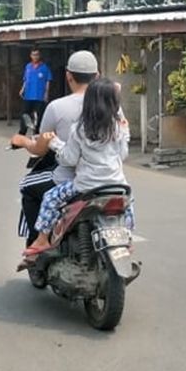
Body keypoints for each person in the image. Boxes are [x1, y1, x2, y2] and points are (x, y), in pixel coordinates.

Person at [24, 77, 133, 257]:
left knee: (50, 198)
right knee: (128, 204)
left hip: (85, 186)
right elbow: (123, 155)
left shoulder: (80, 129)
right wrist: (126, 132)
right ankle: (126, 238)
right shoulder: (117, 128)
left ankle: (42, 239)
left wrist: (55, 142)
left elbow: (69, 159)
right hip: (117, 185)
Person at [10, 50, 98, 246]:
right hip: (110, 178)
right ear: (97, 76)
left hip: (75, 177)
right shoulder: (110, 107)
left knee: (28, 185)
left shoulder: (58, 108)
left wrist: (23, 141)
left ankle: (38, 242)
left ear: (68, 75)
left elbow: (41, 150)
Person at [19, 48, 53, 131]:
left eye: (37, 55)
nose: (35, 57)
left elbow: (48, 81)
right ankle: (22, 131)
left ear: (39, 56)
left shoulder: (44, 67)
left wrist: (46, 93)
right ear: (30, 56)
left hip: (39, 95)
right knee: (25, 114)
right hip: (28, 95)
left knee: (38, 116)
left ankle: (36, 132)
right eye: (33, 55)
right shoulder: (28, 66)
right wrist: (22, 89)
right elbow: (26, 79)